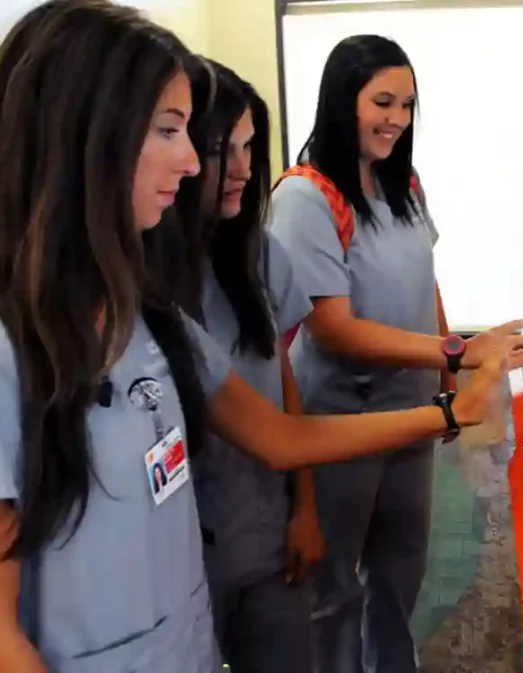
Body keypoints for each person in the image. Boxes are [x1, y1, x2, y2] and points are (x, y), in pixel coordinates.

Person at [0, 4, 523, 673]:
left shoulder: (145, 312)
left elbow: (281, 435)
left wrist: (450, 410)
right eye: (169, 129)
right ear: (83, 134)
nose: (195, 160)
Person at [269, 34, 523, 673]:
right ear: (345, 101)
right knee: (333, 586)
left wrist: (449, 372)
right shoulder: (305, 197)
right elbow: (336, 328)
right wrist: (464, 350)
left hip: (414, 416)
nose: (396, 119)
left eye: (408, 105)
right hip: (343, 422)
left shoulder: (405, 183)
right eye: (383, 102)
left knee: (399, 573)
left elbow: (427, 281)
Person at [171, 57, 322, 672]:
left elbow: (282, 380)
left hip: (263, 531)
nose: (242, 169)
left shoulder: (258, 254)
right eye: (220, 149)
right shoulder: (138, 281)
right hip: (182, 560)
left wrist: (306, 508)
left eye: (249, 147)